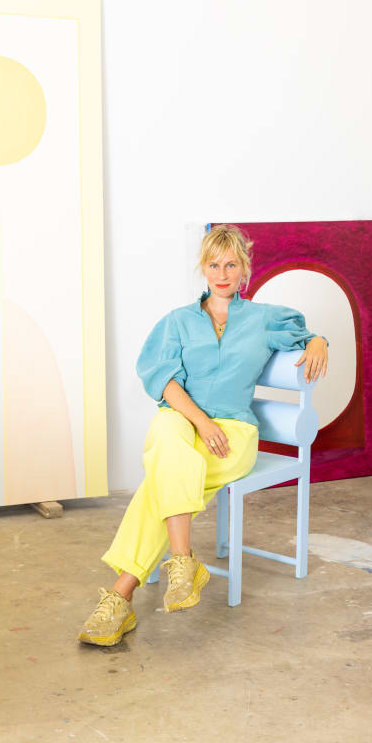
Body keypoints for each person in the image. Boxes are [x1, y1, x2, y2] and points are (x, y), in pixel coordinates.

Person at [78, 224, 329, 646]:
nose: (222, 273)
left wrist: (320, 340)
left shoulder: (264, 318)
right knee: (167, 436)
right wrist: (200, 421)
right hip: (183, 420)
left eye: (231, 264)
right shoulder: (176, 322)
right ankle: (181, 560)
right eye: (214, 264)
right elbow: (162, 379)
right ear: (203, 268)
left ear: (244, 268)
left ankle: (121, 598)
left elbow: (303, 333)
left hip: (234, 431)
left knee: (161, 480)